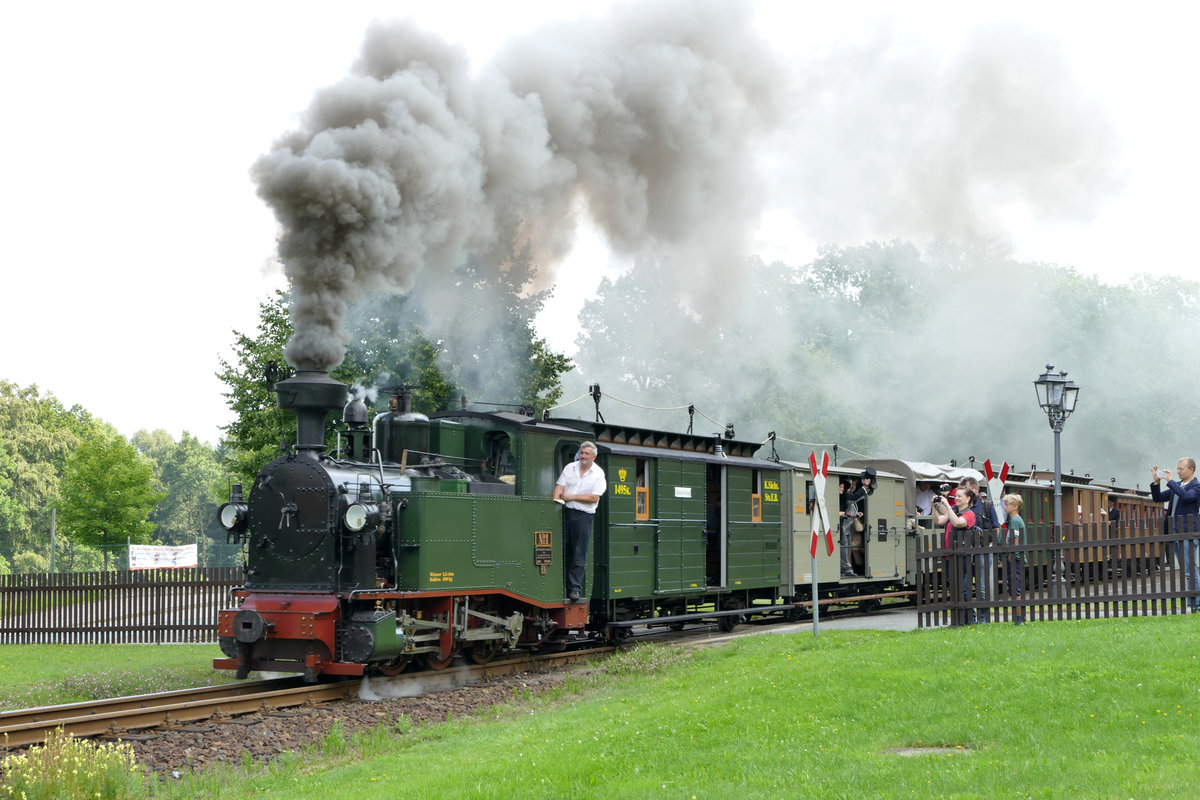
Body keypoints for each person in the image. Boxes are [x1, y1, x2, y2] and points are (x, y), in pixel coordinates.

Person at [553, 441, 607, 602]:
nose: (583, 456)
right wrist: (556, 502)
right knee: (559, 548)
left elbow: (593, 498)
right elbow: (559, 487)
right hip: (564, 512)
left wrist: (571, 497)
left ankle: (574, 589)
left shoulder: (598, 474)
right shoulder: (570, 467)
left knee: (578, 552)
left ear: (594, 457)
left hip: (583, 516)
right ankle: (558, 585)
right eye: (582, 453)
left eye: (586, 454)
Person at [1150, 458, 1200, 612]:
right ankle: (1193, 603)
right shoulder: (1177, 486)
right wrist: (1157, 482)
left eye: (1181, 469)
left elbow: (1186, 496)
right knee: (1185, 569)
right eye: (1177, 469)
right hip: (1174, 532)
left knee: (1190, 569)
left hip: (1187, 532)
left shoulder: (1196, 487)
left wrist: (1170, 481)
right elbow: (1157, 498)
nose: (1178, 471)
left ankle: (1195, 604)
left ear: (1191, 470)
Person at [935, 485, 979, 624]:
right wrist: (934, 507)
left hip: (962, 556)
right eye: (956, 495)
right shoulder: (953, 510)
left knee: (963, 588)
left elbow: (958, 523)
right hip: (950, 555)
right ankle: (958, 620)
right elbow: (938, 521)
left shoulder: (969, 514)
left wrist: (947, 505)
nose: (957, 498)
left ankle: (970, 619)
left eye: (960, 496)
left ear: (968, 499)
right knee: (954, 588)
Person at [999, 494, 1026, 624]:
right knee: (1015, 587)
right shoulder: (1015, 520)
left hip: (1015, 558)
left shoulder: (1015, 521)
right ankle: (1018, 618)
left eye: (1007, 504)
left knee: (1016, 588)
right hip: (1016, 558)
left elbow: (1015, 539)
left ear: (1015, 507)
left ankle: (1019, 619)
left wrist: (1010, 555)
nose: (1005, 507)